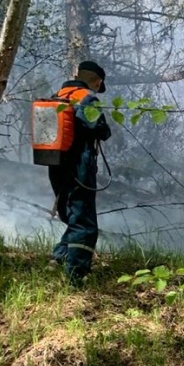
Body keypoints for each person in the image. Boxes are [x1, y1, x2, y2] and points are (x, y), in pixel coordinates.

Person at [48, 61, 112, 286]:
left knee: (73, 215)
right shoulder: (86, 97)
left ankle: (58, 259)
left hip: (55, 165)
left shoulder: (57, 95)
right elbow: (101, 130)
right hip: (79, 166)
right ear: (98, 81)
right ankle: (76, 276)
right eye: (99, 86)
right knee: (85, 224)